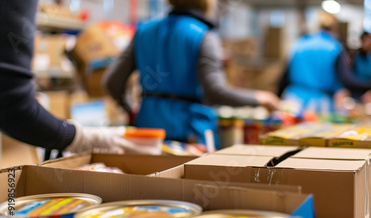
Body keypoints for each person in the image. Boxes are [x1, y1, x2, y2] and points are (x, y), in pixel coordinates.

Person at [103, 0, 280, 146]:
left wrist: (131, 111)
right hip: (189, 138)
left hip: (146, 137)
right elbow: (216, 92)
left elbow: (112, 82)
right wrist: (259, 98)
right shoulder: (204, 35)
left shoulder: (143, 32)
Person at [0, 0, 151, 156]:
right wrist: (84, 138)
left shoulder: (145, 32)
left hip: (147, 121)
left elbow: (112, 82)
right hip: (156, 134)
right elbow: (11, 101)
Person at [278, 12, 371, 113]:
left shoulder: (299, 44)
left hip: (292, 100)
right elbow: (347, 80)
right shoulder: (334, 47)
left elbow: (284, 77)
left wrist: (278, 101)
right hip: (318, 105)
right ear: (336, 30)